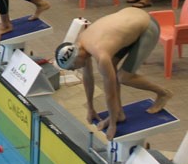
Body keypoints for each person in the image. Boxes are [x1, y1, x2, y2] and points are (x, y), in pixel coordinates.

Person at [55, 8, 173, 141]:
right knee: (112, 70)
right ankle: (118, 114)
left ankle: (163, 93)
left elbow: (110, 94)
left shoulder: (101, 54)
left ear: (77, 59)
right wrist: (90, 108)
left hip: (147, 27)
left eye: (72, 67)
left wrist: (112, 124)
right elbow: (88, 77)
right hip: (131, 20)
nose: (73, 70)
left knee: (123, 77)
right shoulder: (81, 44)